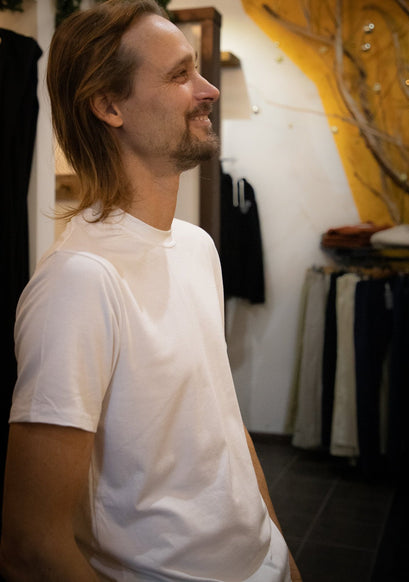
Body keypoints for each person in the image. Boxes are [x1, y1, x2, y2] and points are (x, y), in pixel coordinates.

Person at [0, 1, 302, 581]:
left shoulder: (196, 247)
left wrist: (277, 549)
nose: (208, 89)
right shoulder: (80, 281)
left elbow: (225, 423)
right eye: (180, 74)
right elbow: (30, 545)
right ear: (109, 106)